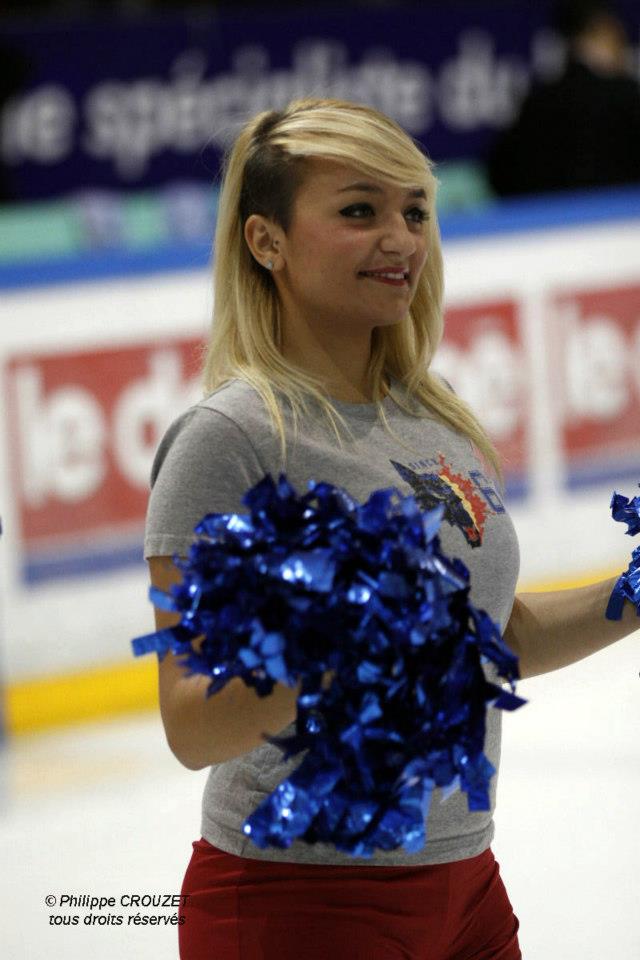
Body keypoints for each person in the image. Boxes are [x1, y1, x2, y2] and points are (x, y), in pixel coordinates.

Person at [145, 98, 638, 960]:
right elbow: (191, 724)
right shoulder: (229, 438)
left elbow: (487, 636)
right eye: (359, 210)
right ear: (266, 242)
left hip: (466, 883)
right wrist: (342, 652)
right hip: (298, 900)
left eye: (414, 210)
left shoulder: (435, 419)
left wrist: (633, 595)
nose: (402, 238)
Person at [487, 0, 640, 196]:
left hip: (546, 223)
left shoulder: (537, 102)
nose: (622, 47)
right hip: (621, 223)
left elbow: (502, 175)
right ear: (603, 29)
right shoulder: (626, 97)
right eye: (619, 36)